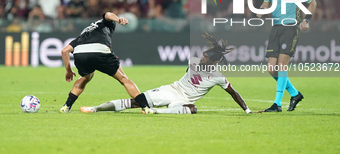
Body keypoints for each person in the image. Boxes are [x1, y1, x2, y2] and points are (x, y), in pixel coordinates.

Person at [80, 32, 252, 114]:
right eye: (203, 55)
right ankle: (95, 108)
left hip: (183, 101)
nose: (202, 58)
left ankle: (155, 112)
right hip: (172, 90)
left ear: (214, 62)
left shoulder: (218, 77)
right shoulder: (193, 61)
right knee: (137, 102)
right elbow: (188, 75)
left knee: (193, 109)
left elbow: (234, 93)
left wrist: (247, 110)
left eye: (206, 57)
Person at [60, 12, 154, 114]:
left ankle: (66, 106)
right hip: (100, 50)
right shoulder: (104, 23)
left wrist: (68, 71)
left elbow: (64, 51)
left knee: (86, 77)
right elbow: (108, 14)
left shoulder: (83, 34)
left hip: (80, 53)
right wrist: (118, 20)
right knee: (123, 79)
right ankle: (145, 107)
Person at [257, 0, 317, 112]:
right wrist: (261, 11)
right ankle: (295, 94)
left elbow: (313, 2)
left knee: (282, 65)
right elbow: (265, 5)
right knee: (271, 69)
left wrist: (307, 20)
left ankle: (277, 104)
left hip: (291, 29)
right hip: (275, 28)